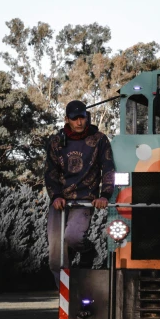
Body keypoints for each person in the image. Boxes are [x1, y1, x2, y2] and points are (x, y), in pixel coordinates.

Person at [44, 100, 115, 289]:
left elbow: (108, 169)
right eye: (74, 118)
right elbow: (50, 172)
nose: (78, 122)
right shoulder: (56, 141)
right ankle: (65, 296)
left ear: (86, 116)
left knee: (73, 237)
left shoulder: (99, 139)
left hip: (85, 200)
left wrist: (104, 195)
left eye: (81, 117)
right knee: (55, 256)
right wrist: (56, 196)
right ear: (66, 119)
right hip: (60, 201)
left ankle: (88, 251)